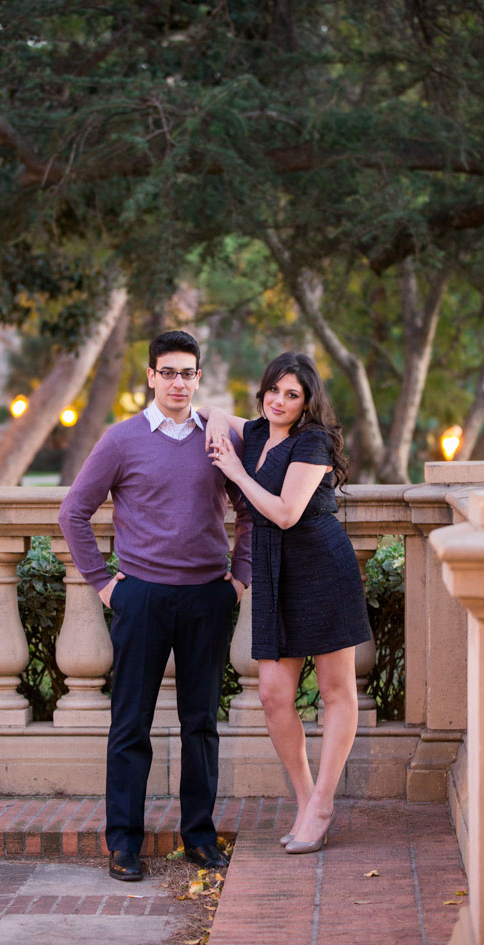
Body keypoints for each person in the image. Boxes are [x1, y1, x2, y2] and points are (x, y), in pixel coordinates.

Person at [58, 330, 252, 881]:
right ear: (150, 376)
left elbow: (250, 514)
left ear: (198, 378)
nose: (177, 381)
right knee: (130, 724)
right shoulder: (122, 440)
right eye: (167, 371)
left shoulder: (217, 441)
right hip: (140, 597)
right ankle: (122, 843)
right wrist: (104, 583)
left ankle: (199, 837)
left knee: (201, 724)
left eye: (187, 372)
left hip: (207, 597)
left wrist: (238, 580)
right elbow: (74, 512)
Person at [203, 351, 371, 854]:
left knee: (336, 691)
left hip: (322, 567)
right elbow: (211, 412)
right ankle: (306, 801)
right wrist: (214, 415)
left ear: (306, 402)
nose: (279, 400)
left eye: (292, 394)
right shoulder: (255, 431)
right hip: (276, 574)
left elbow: (284, 512)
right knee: (274, 695)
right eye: (273, 389)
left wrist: (233, 469)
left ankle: (322, 803)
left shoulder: (313, 441)